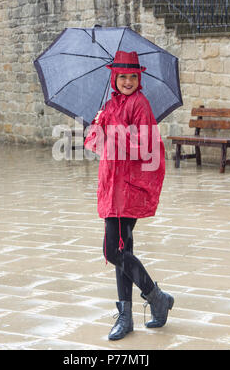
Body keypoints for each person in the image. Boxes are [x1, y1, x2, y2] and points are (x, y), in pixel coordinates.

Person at [84, 51, 174, 341]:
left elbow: (146, 147)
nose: (127, 81)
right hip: (111, 186)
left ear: (139, 78)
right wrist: (98, 125)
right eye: (122, 76)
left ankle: (155, 296)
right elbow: (95, 144)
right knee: (123, 251)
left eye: (132, 76)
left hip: (129, 189)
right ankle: (127, 316)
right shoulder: (110, 105)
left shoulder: (140, 105)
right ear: (114, 77)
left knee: (113, 251)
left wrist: (116, 132)